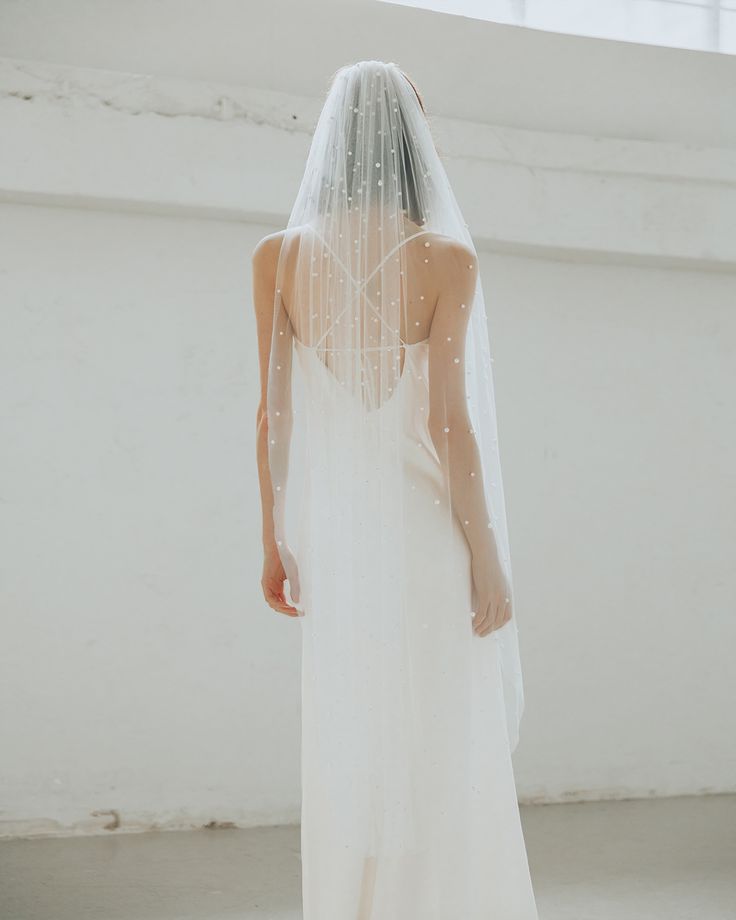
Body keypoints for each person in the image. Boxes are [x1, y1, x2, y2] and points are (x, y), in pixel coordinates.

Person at [252, 60, 538, 920]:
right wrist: (485, 554)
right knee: (440, 735)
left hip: (335, 539)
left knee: (357, 732)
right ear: (413, 143)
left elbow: (272, 414)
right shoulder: (447, 258)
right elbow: (449, 424)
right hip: (421, 537)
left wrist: (273, 538)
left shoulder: (277, 258)